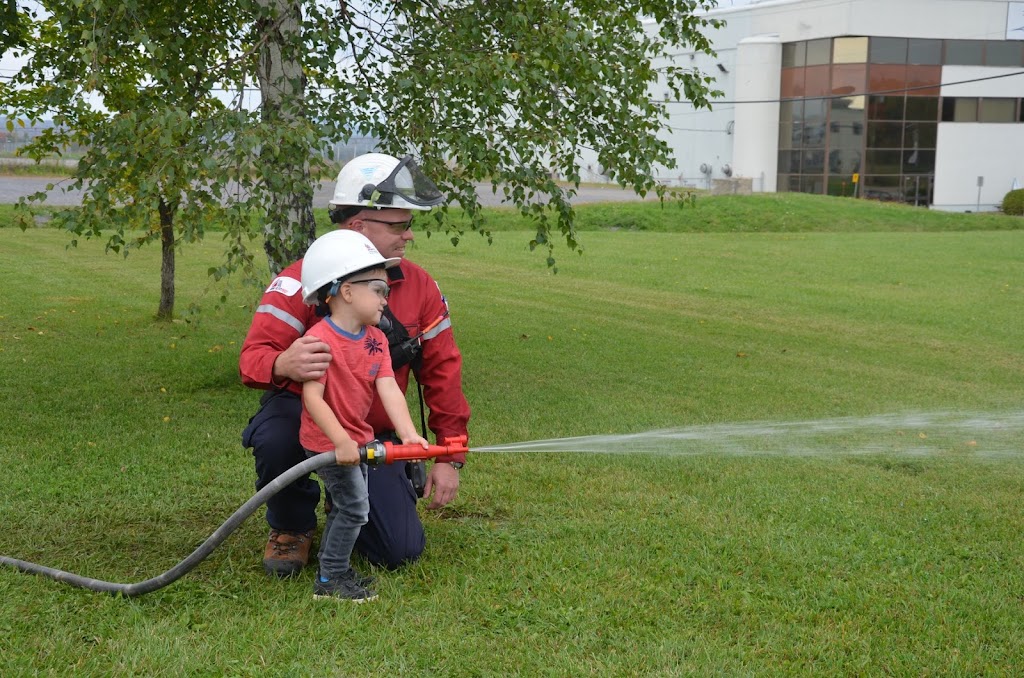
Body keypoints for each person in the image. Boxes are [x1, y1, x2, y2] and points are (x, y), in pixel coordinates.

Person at [240, 152, 470, 577]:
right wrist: (282, 362)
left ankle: (349, 501)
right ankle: (291, 526)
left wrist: (448, 454)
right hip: (307, 420)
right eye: (399, 226)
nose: (409, 236)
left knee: (398, 552)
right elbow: (251, 359)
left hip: (374, 434)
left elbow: (442, 369)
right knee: (275, 436)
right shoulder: (300, 280)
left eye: (409, 225)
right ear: (359, 225)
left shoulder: (420, 287)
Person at [297, 229, 428, 602]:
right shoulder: (319, 340)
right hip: (328, 442)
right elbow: (313, 397)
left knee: (349, 504)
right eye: (379, 289)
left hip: (358, 439)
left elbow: (388, 387)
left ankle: (334, 565)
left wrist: (408, 435)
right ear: (347, 292)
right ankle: (330, 579)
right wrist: (339, 440)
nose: (386, 299)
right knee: (356, 508)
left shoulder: (377, 339)